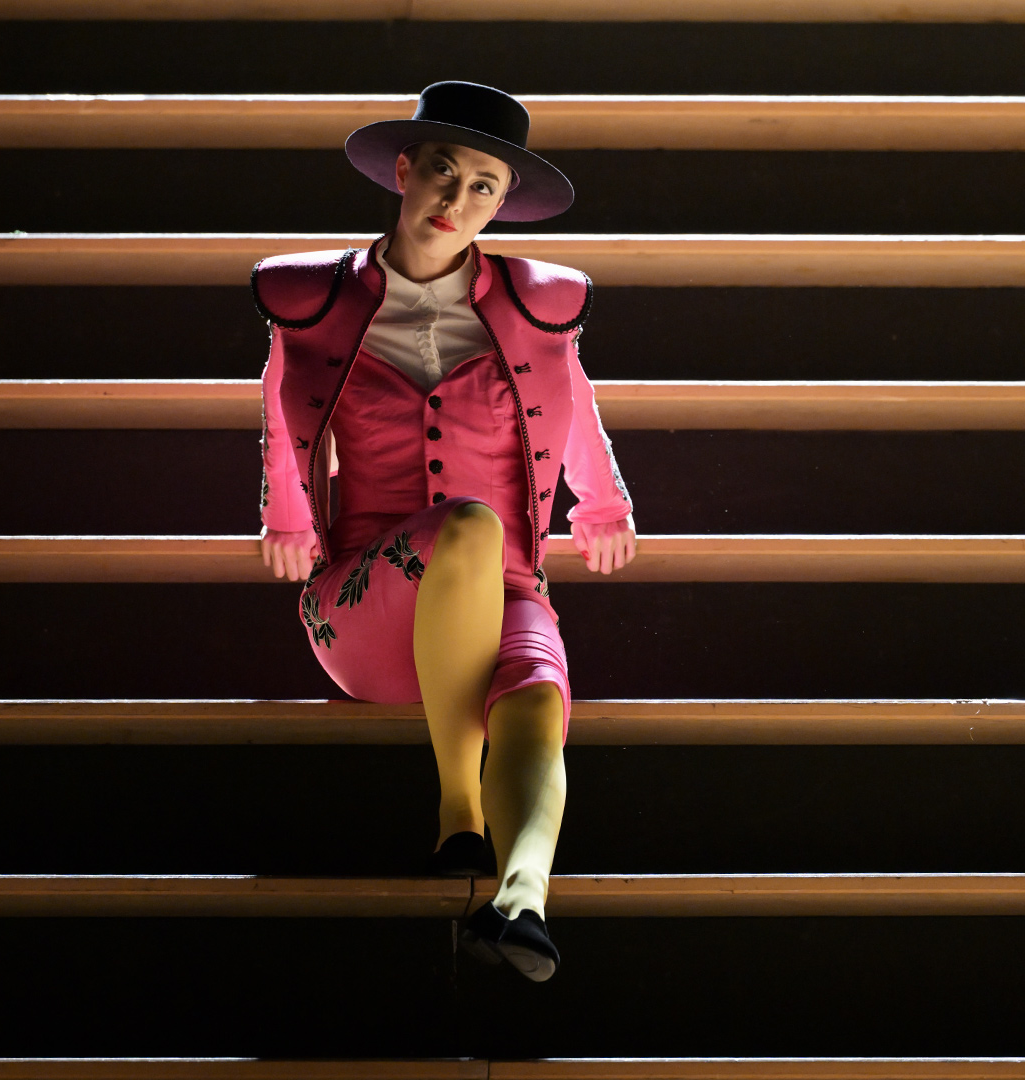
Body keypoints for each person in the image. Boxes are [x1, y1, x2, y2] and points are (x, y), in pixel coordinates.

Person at [251, 81, 638, 983]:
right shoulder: (318, 300)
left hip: (506, 592)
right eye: (442, 172)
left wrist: (603, 505)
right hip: (366, 605)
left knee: (537, 694)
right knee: (467, 524)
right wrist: (285, 515)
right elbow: (277, 407)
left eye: (482, 188)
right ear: (404, 170)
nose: (455, 200)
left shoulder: (534, 306)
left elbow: (574, 403)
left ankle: (523, 899)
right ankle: (457, 808)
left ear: (501, 206)